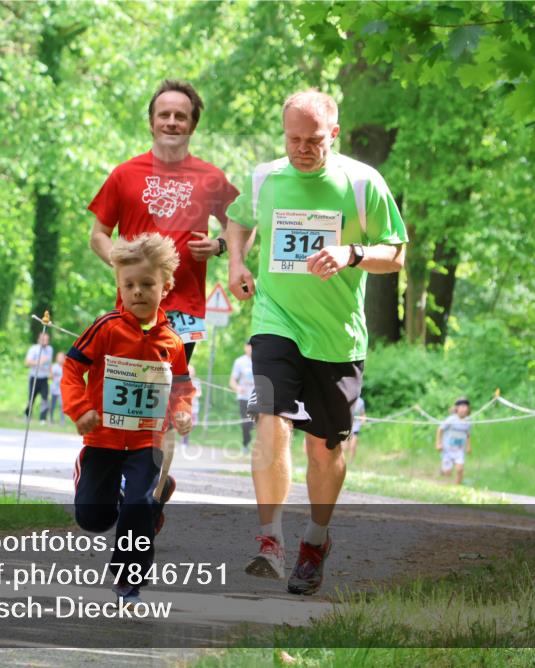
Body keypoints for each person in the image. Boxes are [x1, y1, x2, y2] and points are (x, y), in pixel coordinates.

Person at [225, 90, 407, 596]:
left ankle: (315, 539)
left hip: (335, 335)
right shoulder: (265, 177)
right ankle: (270, 541)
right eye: (293, 139)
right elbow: (238, 219)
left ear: (336, 135)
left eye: (314, 140)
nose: (302, 149)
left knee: (325, 451)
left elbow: (395, 254)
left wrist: (352, 253)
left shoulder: (362, 183)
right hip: (275, 319)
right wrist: (237, 262)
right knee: (270, 417)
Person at [62, 233, 194, 607]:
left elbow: (182, 385)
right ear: (119, 286)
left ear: (165, 286)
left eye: (147, 284)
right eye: (129, 285)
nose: (137, 292)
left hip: (145, 443)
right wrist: (79, 409)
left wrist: (183, 411)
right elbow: (72, 368)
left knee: (138, 506)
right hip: (102, 439)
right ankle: (142, 495)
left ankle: (128, 578)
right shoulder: (105, 328)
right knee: (93, 518)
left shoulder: (172, 341)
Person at [88, 79, 240, 364]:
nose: (171, 122)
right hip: (135, 305)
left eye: (180, 116)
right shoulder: (124, 174)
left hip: (185, 310)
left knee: (170, 395)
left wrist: (219, 244)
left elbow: (243, 224)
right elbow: (98, 236)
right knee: (133, 397)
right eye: (164, 115)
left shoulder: (210, 177)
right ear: (151, 122)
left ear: (192, 126)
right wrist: (125, 264)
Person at [436, 398, 472, 485]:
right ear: (457, 409)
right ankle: (443, 470)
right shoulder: (451, 419)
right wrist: (438, 443)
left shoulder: (468, 421)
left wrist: (468, 446)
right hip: (448, 450)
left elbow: (467, 434)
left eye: (466, 407)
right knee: (447, 473)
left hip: (459, 449)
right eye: (462, 407)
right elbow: (440, 430)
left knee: (460, 469)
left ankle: (457, 487)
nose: (464, 409)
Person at [229, 341, 255, 454]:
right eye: (249, 346)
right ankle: (246, 443)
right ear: (245, 347)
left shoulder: (261, 361)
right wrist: (238, 388)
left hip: (257, 397)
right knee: (245, 423)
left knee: (256, 422)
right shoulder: (239, 362)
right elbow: (232, 381)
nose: (251, 348)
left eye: (253, 346)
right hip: (244, 397)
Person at [24, 331, 53, 424]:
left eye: (47, 340)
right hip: (34, 377)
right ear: (39, 339)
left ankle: (42, 419)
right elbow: (27, 362)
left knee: (45, 399)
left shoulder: (50, 349)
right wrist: (39, 361)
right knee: (31, 398)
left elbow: (49, 363)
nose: (45, 341)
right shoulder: (34, 349)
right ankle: (27, 415)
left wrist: (51, 372)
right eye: (43, 339)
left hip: (44, 378)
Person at [182, 364, 203, 447]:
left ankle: (185, 434)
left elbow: (199, 393)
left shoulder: (197, 381)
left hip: (194, 407)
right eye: (190, 371)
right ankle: (184, 441)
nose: (191, 372)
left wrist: (195, 394)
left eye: (193, 371)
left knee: (194, 423)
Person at [346, 395, 366, 466]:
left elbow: (363, 414)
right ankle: (343, 461)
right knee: (344, 446)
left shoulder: (361, 402)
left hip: (355, 427)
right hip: (346, 427)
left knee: (353, 445)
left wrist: (363, 420)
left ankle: (351, 462)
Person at [50, 351, 66, 425]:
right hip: (54, 389)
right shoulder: (54, 366)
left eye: (62, 357)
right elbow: (51, 376)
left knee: (62, 405)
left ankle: (62, 420)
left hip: (61, 390)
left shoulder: (66, 367)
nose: (60, 359)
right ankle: (51, 419)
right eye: (59, 357)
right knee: (52, 405)